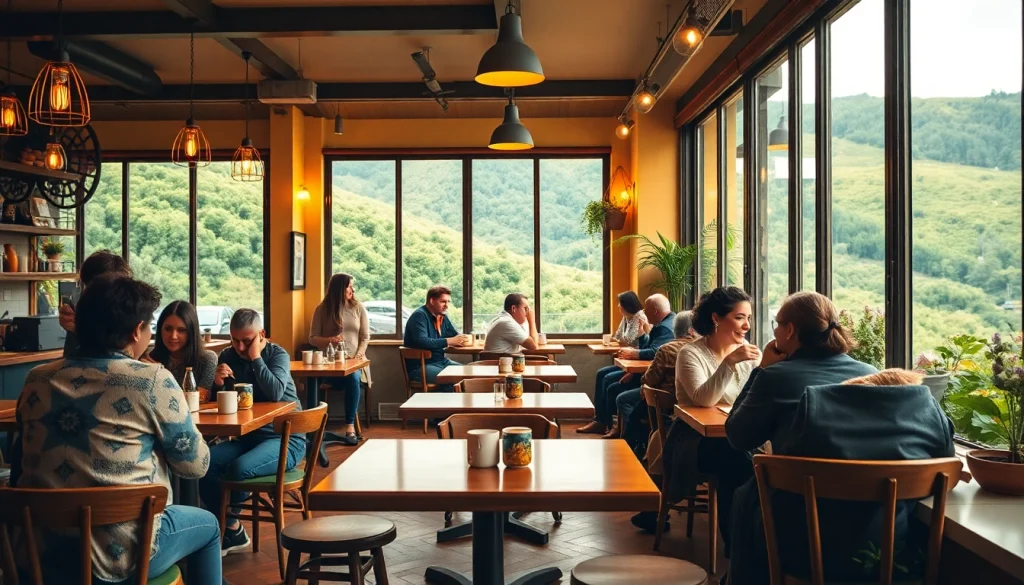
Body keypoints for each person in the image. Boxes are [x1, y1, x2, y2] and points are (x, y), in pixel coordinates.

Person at [726, 293, 952, 584]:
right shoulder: (872, 374)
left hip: (807, 542)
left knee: (746, 494)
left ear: (790, 330)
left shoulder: (775, 377)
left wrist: (761, 370)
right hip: (887, 542)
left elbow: (737, 436)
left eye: (776, 324)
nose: (775, 331)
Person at [10, 274, 221, 585]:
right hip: (118, 557)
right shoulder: (152, 379)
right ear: (137, 330)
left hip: (37, 553)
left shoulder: (36, 379)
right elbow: (196, 466)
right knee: (209, 527)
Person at [633, 287, 758, 535]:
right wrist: (729, 363)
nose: (746, 326)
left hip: (735, 433)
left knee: (747, 457)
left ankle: (747, 544)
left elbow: (757, 397)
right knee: (739, 461)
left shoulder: (750, 352)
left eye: (749, 318)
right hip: (692, 439)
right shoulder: (690, 353)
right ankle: (737, 549)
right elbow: (704, 400)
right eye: (739, 317)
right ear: (716, 318)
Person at [201, 309, 305, 555]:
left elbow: (275, 393)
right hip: (248, 435)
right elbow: (218, 402)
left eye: (246, 341)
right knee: (204, 463)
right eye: (234, 340)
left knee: (238, 469)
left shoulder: (276, 354)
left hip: (285, 439)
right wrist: (216, 383)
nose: (239, 347)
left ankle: (227, 524)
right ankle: (231, 528)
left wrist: (256, 357)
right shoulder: (227, 355)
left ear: (261, 335)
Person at [578, 293, 674, 437]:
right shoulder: (660, 324)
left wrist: (635, 355)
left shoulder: (663, 328)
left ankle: (619, 431)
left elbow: (654, 352)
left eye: (646, 309)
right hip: (642, 370)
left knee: (611, 384)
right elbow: (629, 341)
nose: (643, 312)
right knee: (603, 375)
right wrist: (642, 338)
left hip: (652, 378)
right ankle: (604, 422)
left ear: (655, 311)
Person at [309, 273, 371, 446]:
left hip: (355, 364)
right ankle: (313, 429)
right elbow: (312, 338)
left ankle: (350, 426)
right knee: (313, 381)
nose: (353, 290)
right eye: (349, 286)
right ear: (339, 288)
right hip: (330, 366)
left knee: (353, 377)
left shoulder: (358, 307)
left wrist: (357, 357)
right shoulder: (322, 309)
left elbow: (365, 337)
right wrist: (330, 339)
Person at [634, 311, 697, 472]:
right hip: (691, 414)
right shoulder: (704, 350)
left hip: (666, 412)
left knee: (625, 399)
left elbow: (649, 380)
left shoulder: (667, 349)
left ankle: (633, 449)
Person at [58, 249, 132, 359]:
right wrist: (75, 329)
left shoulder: (132, 311)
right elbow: (71, 363)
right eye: (88, 285)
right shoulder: (84, 309)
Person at [403, 285, 471, 393]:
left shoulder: (442, 316)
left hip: (441, 361)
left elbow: (454, 334)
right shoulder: (419, 316)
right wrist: (449, 341)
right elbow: (421, 341)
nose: (446, 306)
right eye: (443, 302)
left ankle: (463, 409)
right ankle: (445, 408)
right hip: (420, 366)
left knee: (468, 375)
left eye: (448, 302)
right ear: (432, 301)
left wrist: (464, 339)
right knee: (451, 379)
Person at [146, 300, 219, 398]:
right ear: (160, 329)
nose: (173, 336)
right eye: (168, 329)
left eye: (181, 330)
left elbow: (200, 399)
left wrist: (161, 374)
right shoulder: (148, 357)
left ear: (191, 332)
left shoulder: (207, 359)